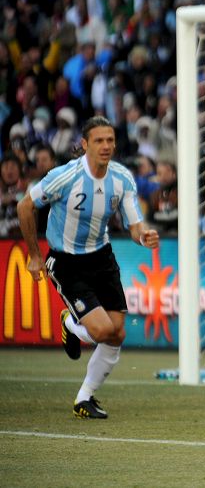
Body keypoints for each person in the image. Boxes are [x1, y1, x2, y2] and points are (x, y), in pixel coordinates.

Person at [16, 116, 159, 419]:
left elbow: (135, 225)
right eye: (99, 140)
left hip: (101, 257)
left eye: (110, 140)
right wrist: (33, 254)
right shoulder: (65, 177)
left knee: (117, 333)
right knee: (102, 330)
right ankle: (71, 323)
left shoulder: (121, 179)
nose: (106, 146)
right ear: (84, 145)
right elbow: (24, 206)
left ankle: (84, 398)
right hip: (66, 262)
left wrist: (142, 235)